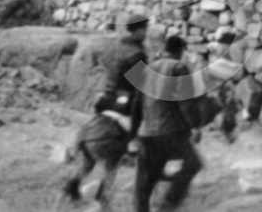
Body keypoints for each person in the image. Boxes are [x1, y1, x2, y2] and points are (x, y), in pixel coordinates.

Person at [133, 34, 205, 212]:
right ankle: (169, 202)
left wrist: (134, 132)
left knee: (145, 180)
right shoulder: (179, 67)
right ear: (180, 51)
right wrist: (195, 126)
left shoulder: (146, 69)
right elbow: (186, 102)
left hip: (147, 132)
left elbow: (136, 104)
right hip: (170, 130)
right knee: (193, 163)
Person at [62, 93, 128, 206]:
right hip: (103, 139)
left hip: (85, 139)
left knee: (87, 165)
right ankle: (102, 195)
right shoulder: (120, 115)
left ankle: (71, 186)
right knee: (112, 167)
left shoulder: (99, 115)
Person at [104, 12, 150, 119]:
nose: (145, 34)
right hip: (126, 96)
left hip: (109, 91)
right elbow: (139, 83)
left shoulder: (118, 45)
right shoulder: (137, 53)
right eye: (144, 30)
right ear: (137, 30)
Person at [206, 28, 245, 143]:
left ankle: (226, 129)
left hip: (233, 72)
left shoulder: (233, 47)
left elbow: (237, 63)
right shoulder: (226, 48)